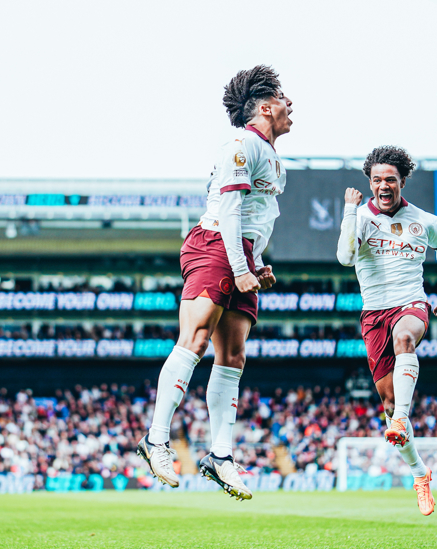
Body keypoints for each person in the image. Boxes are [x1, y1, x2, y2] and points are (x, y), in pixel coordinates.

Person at [137, 65, 293, 500]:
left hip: (239, 252)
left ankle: (220, 456)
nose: (289, 104)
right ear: (265, 107)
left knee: (234, 354)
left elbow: (254, 218)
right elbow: (227, 208)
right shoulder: (242, 145)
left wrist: (254, 261)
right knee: (196, 337)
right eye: (282, 97)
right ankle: (156, 438)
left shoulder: (272, 157)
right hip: (214, 245)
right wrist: (240, 266)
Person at [336, 146, 437, 516]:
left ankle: (401, 419)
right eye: (376, 180)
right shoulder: (360, 216)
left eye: (390, 179)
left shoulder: (426, 221)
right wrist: (348, 212)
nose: (383, 185)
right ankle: (420, 474)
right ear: (369, 184)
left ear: (402, 181)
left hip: (411, 303)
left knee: (405, 338)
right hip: (373, 313)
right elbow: (344, 257)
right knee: (387, 404)